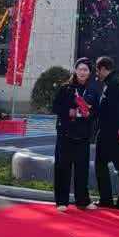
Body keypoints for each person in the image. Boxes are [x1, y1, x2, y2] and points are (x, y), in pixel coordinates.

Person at [50, 59, 98, 211]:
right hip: (65, 135)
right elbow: (55, 107)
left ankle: (82, 201)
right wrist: (68, 111)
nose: (82, 72)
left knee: (82, 170)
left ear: (89, 73)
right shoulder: (66, 88)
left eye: (86, 70)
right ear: (75, 71)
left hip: (83, 136)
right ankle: (61, 202)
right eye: (80, 69)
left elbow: (96, 112)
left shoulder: (92, 90)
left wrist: (89, 114)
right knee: (62, 168)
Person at [93, 55, 119, 210]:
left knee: (108, 165)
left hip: (113, 132)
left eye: (98, 70)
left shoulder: (114, 83)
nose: (97, 74)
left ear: (103, 69)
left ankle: (109, 199)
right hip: (111, 131)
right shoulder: (115, 81)